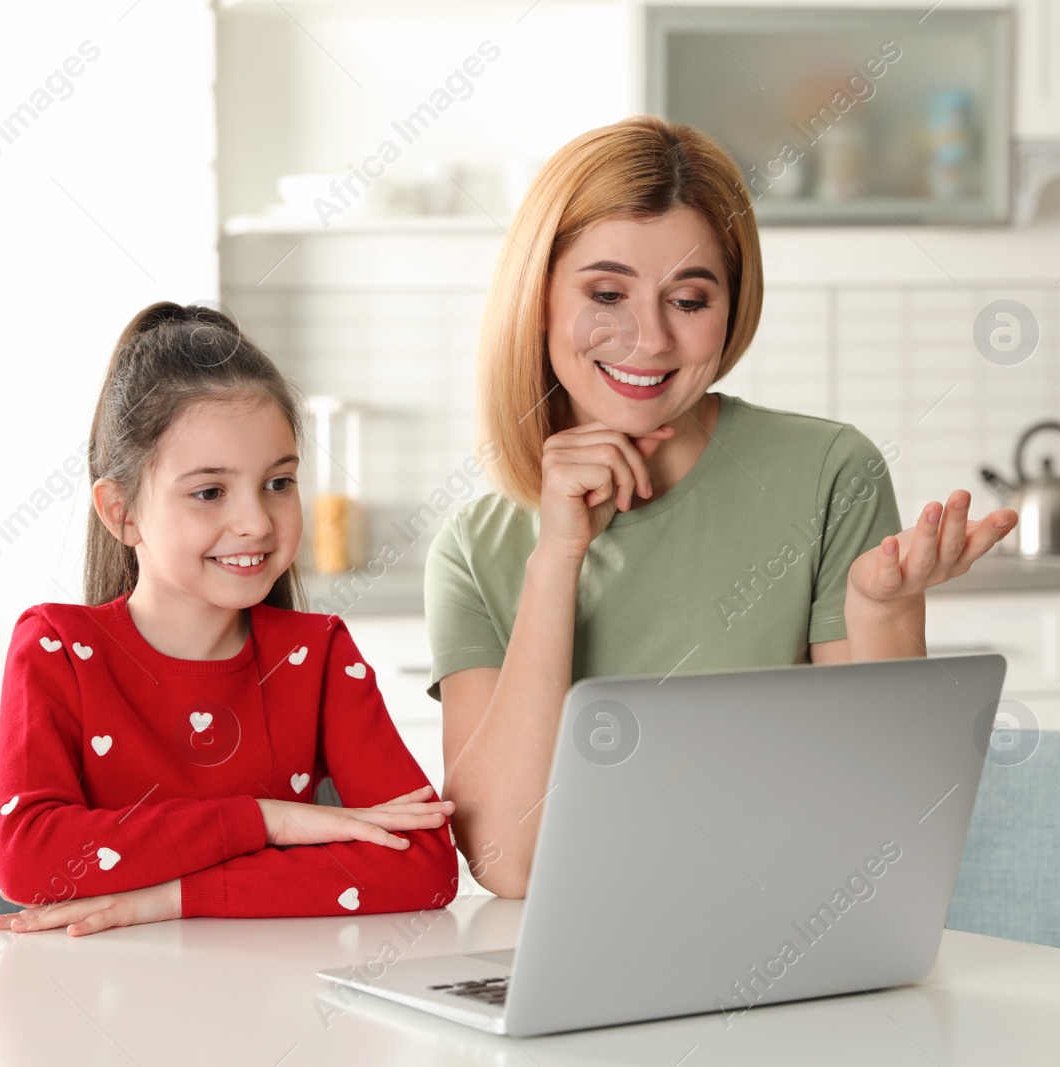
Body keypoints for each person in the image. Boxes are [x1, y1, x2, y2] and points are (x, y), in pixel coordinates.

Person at [426, 117, 1019, 899]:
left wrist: (882, 612)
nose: (649, 338)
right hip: (580, 971)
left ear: (730, 312)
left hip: (796, 937)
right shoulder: (475, 547)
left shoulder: (830, 473)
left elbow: (881, 821)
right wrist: (556, 559)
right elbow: (512, 863)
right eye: (607, 293)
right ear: (538, 299)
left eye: (689, 297)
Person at [0, 301, 458, 935]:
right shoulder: (57, 648)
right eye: (210, 492)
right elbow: (31, 861)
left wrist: (169, 897)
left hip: (273, 1010)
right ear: (120, 510)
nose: (258, 522)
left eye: (279, 483)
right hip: (100, 1008)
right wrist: (266, 821)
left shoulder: (318, 655)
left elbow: (424, 867)